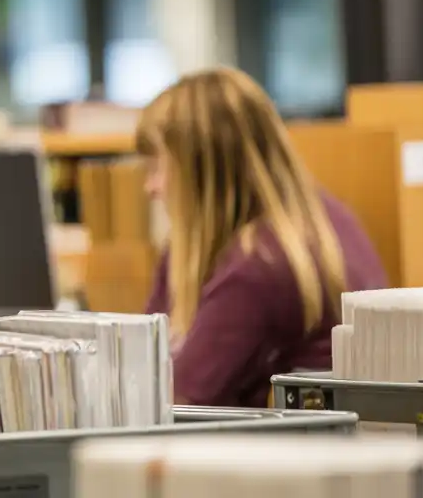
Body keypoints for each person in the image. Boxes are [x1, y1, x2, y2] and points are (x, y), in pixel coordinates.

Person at [138, 68, 387, 408]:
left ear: (201, 170)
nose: (150, 187)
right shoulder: (323, 216)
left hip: (298, 454)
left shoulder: (260, 266)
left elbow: (174, 405)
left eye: (157, 167)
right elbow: (144, 356)